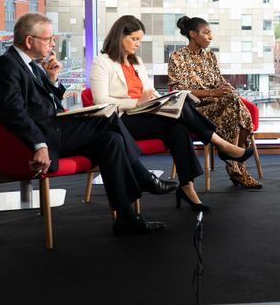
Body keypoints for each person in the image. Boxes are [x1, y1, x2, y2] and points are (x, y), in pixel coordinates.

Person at [0, 13, 178, 236]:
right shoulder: (6, 66)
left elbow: (50, 105)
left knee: (112, 140)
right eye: (48, 39)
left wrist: (52, 79)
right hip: (42, 139)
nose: (53, 43)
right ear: (30, 41)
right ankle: (145, 179)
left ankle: (126, 219)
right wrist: (39, 144)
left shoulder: (33, 66)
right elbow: (12, 112)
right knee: (109, 118)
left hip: (55, 131)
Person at [90, 15, 255, 210]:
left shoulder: (137, 62)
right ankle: (221, 144)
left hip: (145, 113)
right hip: (121, 120)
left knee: (178, 125)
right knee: (182, 108)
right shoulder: (102, 62)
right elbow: (100, 101)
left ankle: (187, 187)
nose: (137, 44)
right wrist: (136, 102)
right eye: (134, 39)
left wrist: (153, 99)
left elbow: (147, 91)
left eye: (139, 40)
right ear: (119, 36)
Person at [168, 16, 261, 189]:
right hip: (194, 110)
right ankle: (236, 165)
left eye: (211, 33)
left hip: (219, 105)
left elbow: (218, 80)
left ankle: (234, 162)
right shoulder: (177, 57)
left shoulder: (210, 56)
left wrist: (224, 87)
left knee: (233, 102)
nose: (210, 37)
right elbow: (179, 90)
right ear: (193, 34)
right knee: (235, 107)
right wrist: (212, 92)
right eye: (206, 33)